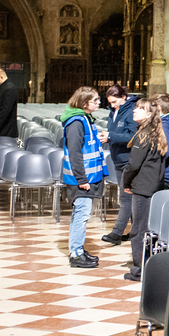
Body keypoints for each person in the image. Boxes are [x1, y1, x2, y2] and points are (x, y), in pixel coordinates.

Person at [122, 98, 167, 282]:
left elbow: (133, 164)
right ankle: (148, 267)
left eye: (140, 109)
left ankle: (140, 270)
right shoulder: (155, 132)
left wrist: (126, 183)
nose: (134, 110)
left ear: (148, 114)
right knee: (147, 229)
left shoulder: (144, 134)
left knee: (139, 230)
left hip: (142, 187)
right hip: (153, 186)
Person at [61, 86, 107, 268]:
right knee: (81, 214)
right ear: (84, 103)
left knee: (81, 214)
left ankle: (78, 249)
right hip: (81, 179)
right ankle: (76, 254)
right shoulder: (76, 123)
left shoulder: (85, 119)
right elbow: (75, 153)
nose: (98, 103)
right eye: (95, 100)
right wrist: (82, 179)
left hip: (89, 176)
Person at [101, 85, 138, 246]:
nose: (112, 105)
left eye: (114, 102)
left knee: (126, 198)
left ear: (123, 97)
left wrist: (111, 136)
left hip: (128, 159)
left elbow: (132, 136)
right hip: (118, 158)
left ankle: (116, 233)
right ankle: (135, 231)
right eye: (110, 102)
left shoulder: (131, 111)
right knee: (127, 197)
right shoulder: (113, 111)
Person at [154, 93, 169, 188]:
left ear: (158, 108)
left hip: (163, 174)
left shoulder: (164, 125)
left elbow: (164, 150)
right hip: (161, 173)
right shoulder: (162, 123)